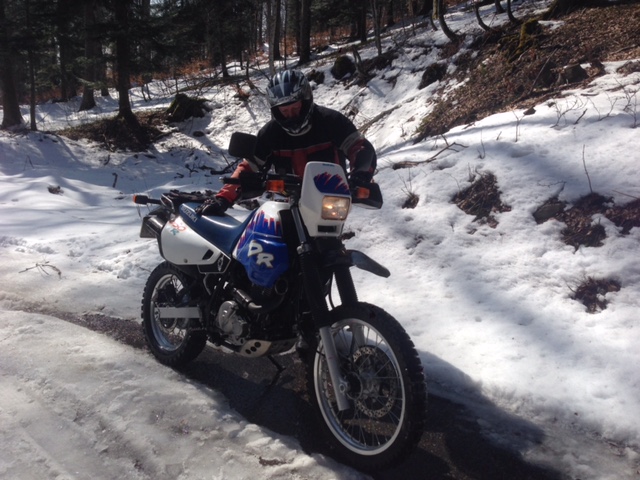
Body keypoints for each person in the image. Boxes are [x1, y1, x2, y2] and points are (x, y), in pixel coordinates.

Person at [198, 69, 377, 215]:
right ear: (276, 111)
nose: (291, 115)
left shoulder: (331, 122)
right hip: (288, 202)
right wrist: (223, 198)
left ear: (306, 102)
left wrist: (360, 175)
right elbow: (250, 166)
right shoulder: (270, 133)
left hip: (329, 201)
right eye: (284, 111)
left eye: (295, 108)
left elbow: (360, 148)